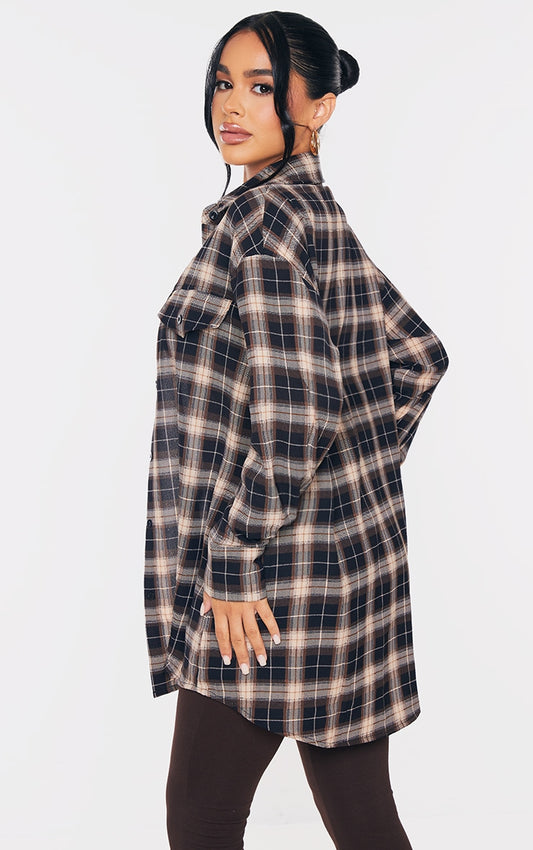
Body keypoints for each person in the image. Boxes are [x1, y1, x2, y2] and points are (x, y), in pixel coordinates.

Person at [144, 10, 449, 849]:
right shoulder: (313, 213)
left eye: (261, 87)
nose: (230, 105)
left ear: (318, 106)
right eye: (223, 82)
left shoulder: (264, 228)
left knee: (200, 813)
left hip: (261, 585)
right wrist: (348, 485)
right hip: (345, 572)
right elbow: (418, 357)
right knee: (360, 815)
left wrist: (238, 553)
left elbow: (300, 415)